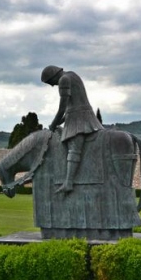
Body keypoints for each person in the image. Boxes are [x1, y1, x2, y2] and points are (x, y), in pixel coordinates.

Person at [41, 65, 104, 193]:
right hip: (80, 115)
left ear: (53, 76)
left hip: (79, 119)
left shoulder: (63, 80)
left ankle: (69, 182)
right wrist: (59, 121)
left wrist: (53, 124)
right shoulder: (72, 74)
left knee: (74, 148)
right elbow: (71, 108)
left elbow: (63, 107)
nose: (52, 86)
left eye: (50, 83)